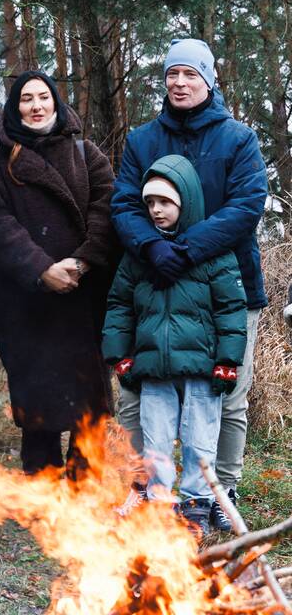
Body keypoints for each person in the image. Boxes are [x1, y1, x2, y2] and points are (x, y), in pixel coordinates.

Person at [110, 39, 267, 531]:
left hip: (229, 286)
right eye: (172, 74)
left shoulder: (238, 140)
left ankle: (221, 489)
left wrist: (187, 248)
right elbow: (124, 206)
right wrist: (152, 248)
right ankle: (145, 487)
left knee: (227, 394)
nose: (179, 83)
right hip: (152, 287)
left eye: (190, 75)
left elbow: (247, 205)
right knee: (140, 394)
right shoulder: (142, 141)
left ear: (209, 79)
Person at [0, 71, 116, 476]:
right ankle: (42, 491)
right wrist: (42, 269)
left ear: (56, 102)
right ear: (14, 108)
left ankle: (84, 491)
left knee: (89, 401)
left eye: (43, 97)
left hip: (84, 295)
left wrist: (83, 262)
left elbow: (107, 211)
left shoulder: (87, 155)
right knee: (38, 401)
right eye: (26, 99)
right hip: (27, 302)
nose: (36, 106)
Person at [103, 155, 247, 536]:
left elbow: (231, 309)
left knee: (201, 438)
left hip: (202, 368)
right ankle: (160, 500)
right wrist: (121, 356)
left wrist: (227, 361)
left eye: (165, 202)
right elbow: (119, 304)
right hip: (153, 369)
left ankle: (198, 504)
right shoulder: (139, 256)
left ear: (186, 201)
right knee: (156, 439)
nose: (156, 210)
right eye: (150, 203)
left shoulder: (213, 255)